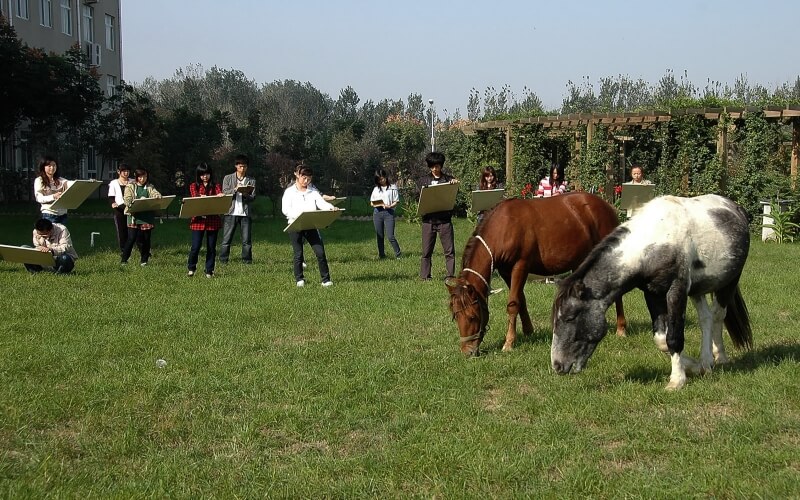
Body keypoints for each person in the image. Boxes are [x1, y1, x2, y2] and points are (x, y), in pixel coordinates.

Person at [281, 165, 338, 287]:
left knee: (320, 252)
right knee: (298, 254)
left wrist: (331, 208)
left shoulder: (313, 192)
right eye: (304, 178)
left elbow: (322, 203)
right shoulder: (289, 192)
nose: (306, 181)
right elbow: (285, 209)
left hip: (311, 225)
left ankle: (326, 280)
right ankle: (299, 279)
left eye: (309, 179)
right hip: (295, 225)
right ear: (297, 175)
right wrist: (299, 215)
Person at [417, 151, 459, 280]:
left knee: (449, 251)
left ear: (441, 166)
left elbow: (454, 195)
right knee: (426, 251)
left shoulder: (448, 180)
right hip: (428, 220)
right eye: (433, 166)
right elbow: (417, 198)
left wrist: (456, 185)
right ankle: (425, 276)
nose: (435, 169)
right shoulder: (422, 181)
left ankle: (450, 275)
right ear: (429, 166)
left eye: (438, 166)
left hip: (444, 220)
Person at [186, 163, 223, 278]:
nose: (205, 177)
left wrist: (221, 196)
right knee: (195, 246)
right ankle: (191, 268)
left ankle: (209, 270)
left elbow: (219, 195)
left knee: (211, 247)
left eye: (207, 174)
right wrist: (201, 197)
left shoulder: (216, 185)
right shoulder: (194, 186)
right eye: (202, 174)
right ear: (198, 175)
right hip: (198, 221)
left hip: (212, 220)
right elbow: (194, 196)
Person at [120, 167, 161, 266]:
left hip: (147, 216)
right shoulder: (130, 186)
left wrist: (157, 196)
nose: (142, 179)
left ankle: (144, 260)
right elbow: (127, 198)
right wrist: (132, 202)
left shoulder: (150, 186)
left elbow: (156, 193)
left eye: (145, 177)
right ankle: (124, 259)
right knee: (131, 238)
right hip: (134, 216)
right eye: (140, 177)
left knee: (146, 239)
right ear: (137, 177)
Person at [219, 154, 256, 264]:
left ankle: (247, 261)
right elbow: (224, 192)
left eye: (244, 166)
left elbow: (253, 197)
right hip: (231, 212)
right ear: (236, 166)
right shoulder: (228, 178)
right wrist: (235, 189)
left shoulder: (251, 180)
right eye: (240, 166)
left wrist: (245, 194)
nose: (242, 168)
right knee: (226, 239)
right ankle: (223, 260)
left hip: (245, 213)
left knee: (246, 240)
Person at [370, 169, 402, 259]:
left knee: (390, 236)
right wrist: (380, 204)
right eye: (379, 180)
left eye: (382, 178)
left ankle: (398, 254)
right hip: (377, 213)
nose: (381, 181)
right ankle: (381, 255)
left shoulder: (393, 187)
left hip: (389, 213)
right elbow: (372, 203)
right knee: (379, 235)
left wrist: (390, 206)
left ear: (386, 177)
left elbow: (396, 201)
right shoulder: (376, 189)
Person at [33, 156, 71, 224]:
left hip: (63, 215)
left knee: (63, 234)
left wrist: (88, 183)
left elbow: (72, 184)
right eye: (49, 166)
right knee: (51, 234)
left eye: (54, 165)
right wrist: (53, 196)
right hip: (49, 214)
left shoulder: (61, 180)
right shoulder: (39, 180)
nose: (52, 168)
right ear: (43, 167)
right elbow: (39, 198)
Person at [108, 163, 134, 251]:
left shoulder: (132, 182)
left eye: (127, 171)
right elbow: (111, 197)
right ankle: (123, 250)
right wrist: (113, 203)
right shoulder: (114, 183)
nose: (126, 173)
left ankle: (131, 247)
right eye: (124, 171)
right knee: (121, 230)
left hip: (131, 208)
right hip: (119, 209)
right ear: (119, 172)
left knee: (132, 230)